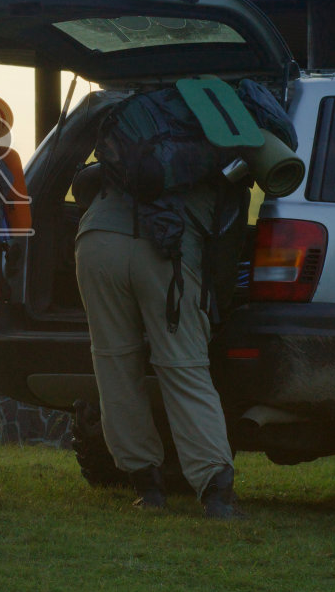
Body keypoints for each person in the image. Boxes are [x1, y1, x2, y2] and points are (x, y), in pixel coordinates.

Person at [74, 174, 245, 519]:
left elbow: (84, 184)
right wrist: (215, 309)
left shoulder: (135, 141)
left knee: (115, 365)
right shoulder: (226, 170)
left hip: (97, 239)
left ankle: (147, 488)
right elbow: (224, 262)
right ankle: (217, 494)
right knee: (184, 367)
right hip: (168, 249)